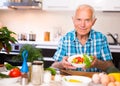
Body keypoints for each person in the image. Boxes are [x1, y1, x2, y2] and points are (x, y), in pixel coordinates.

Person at [51, 4, 120, 73]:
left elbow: (111, 67)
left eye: (87, 20)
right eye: (79, 19)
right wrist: (61, 64)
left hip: (93, 81)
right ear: (73, 20)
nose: (82, 25)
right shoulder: (65, 39)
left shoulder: (101, 38)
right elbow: (53, 66)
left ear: (93, 22)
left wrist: (97, 63)